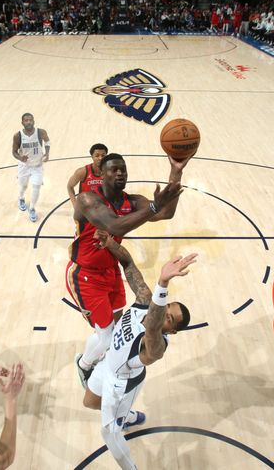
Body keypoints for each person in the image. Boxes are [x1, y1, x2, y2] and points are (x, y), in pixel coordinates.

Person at [70, 153, 189, 389]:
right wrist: (154, 206)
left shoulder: (131, 202)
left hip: (112, 268)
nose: (120, 173)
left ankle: (99, 357)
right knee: (106, 336)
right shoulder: (86, 199)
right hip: (86, 275)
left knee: (115, 326)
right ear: (101, 174)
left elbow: (166, 213)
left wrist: (176, 173)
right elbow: (113, 224)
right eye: (114, 170)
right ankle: (84, 365)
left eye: (123, 169)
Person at [82, 233, 195, 469]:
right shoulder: (145, 300)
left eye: (170, 318)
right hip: (108, 363)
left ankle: (131, 466)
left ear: (172, 331)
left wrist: (163, 284)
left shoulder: (155, 346)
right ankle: (129, 416)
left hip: (121, 385)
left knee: (109, 434)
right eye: (167, 309)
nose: (164, 313)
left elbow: (152, 326)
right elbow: (129, 265)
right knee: (89, 402)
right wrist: (111, 243)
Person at [11, 113, 50, 222]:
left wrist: (47, 153)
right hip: (24, 166)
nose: (28, 122)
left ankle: (32, 208)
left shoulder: (41, 132)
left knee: (36, 186)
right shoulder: (17, 136)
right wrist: (20, 157)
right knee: (23, 186)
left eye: (30, 120)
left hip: (37, 166)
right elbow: (14, 152)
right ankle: (21, 198)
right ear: (22, 123)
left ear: (34, 121)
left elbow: (47, 142)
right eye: (26, 120)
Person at [66, 143, 108, 208]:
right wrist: (75, 205)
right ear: (92, 157)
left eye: (103, 155)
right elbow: (70, 186)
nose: (100, 158)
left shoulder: (110, 172)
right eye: (97, 156)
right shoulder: (82, 172)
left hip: (104, 210)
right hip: (86, 211)